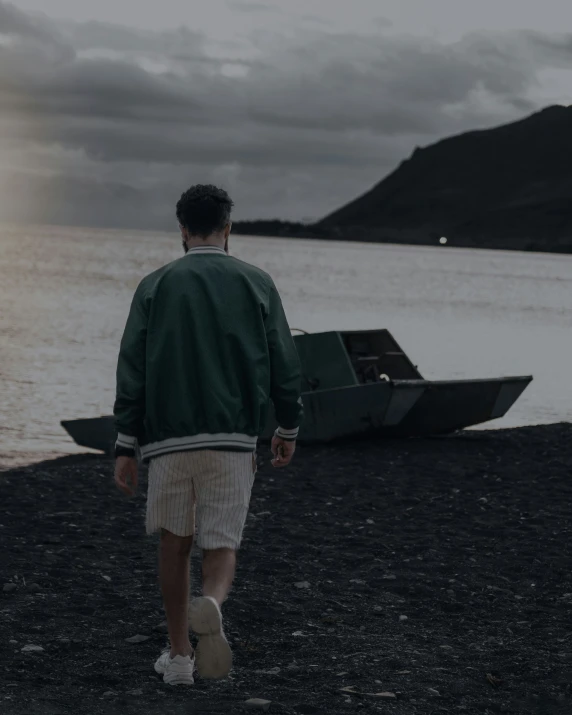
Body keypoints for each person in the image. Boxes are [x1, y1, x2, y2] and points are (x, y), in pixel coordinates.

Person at [113, 184, 303, 686]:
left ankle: (178, 659)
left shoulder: (154, 285)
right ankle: (212, 604)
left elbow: (131, 368)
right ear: (228, 228)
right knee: (222, 544)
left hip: (170, 442)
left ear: (181, 229)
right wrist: (287, 425)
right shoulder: (257, 282)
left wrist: (125, 443)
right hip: (234, 439)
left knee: (175, 545)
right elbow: (284, 361)